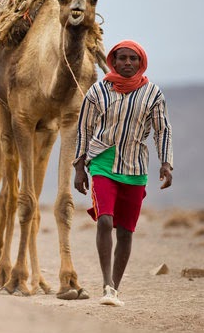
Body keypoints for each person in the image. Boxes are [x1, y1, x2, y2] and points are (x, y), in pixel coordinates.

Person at [73, 40, 173, 307]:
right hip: (102, 161)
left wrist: (166, 163)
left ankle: (115, 288)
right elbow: (84, 128)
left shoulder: (153, 94)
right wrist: (79, 167)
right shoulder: (98, 91)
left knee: (126, 231)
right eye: (123, 58)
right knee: (105, 221)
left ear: (141, 63)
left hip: (136, 168)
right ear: (113, 62)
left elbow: (162, 130)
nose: (128, 63)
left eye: (133, 59)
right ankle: (106, 283)